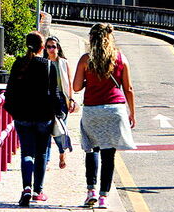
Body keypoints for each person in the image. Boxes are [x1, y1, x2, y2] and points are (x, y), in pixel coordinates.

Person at [73, 23, 136, 209]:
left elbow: (76, 87)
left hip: (92, 109)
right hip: (114, 109)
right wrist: (132, 112)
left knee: (91, 149)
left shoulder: (86, 59)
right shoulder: (121, 58)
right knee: (109, 155)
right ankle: (103, 197)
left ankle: (90, 191)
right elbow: (129, 89)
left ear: (91, 38)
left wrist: (88, 81)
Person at [4, 31, 61, 207]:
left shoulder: (18, 64)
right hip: (43, 116)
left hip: (23, 116)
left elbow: (9, 91)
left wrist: (13, 111)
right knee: (41, 153)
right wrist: (59, 113)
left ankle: (26, 187)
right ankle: (38, 191)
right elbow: (55, 93)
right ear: (42, 47)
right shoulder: (48, 65)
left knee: (26, 153)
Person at [45, 35, 77, 168]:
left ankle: (62, 151)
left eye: (54, 46)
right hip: (46, 101)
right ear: (45, 49)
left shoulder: (63, 62)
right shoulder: (43, 62)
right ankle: (45, 161)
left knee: (60, 130)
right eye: (49, 46)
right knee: (46, 131)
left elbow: (69, 82)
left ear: (58, 47)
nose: (51, 49)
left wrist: (71, 99)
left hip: (62, 101)